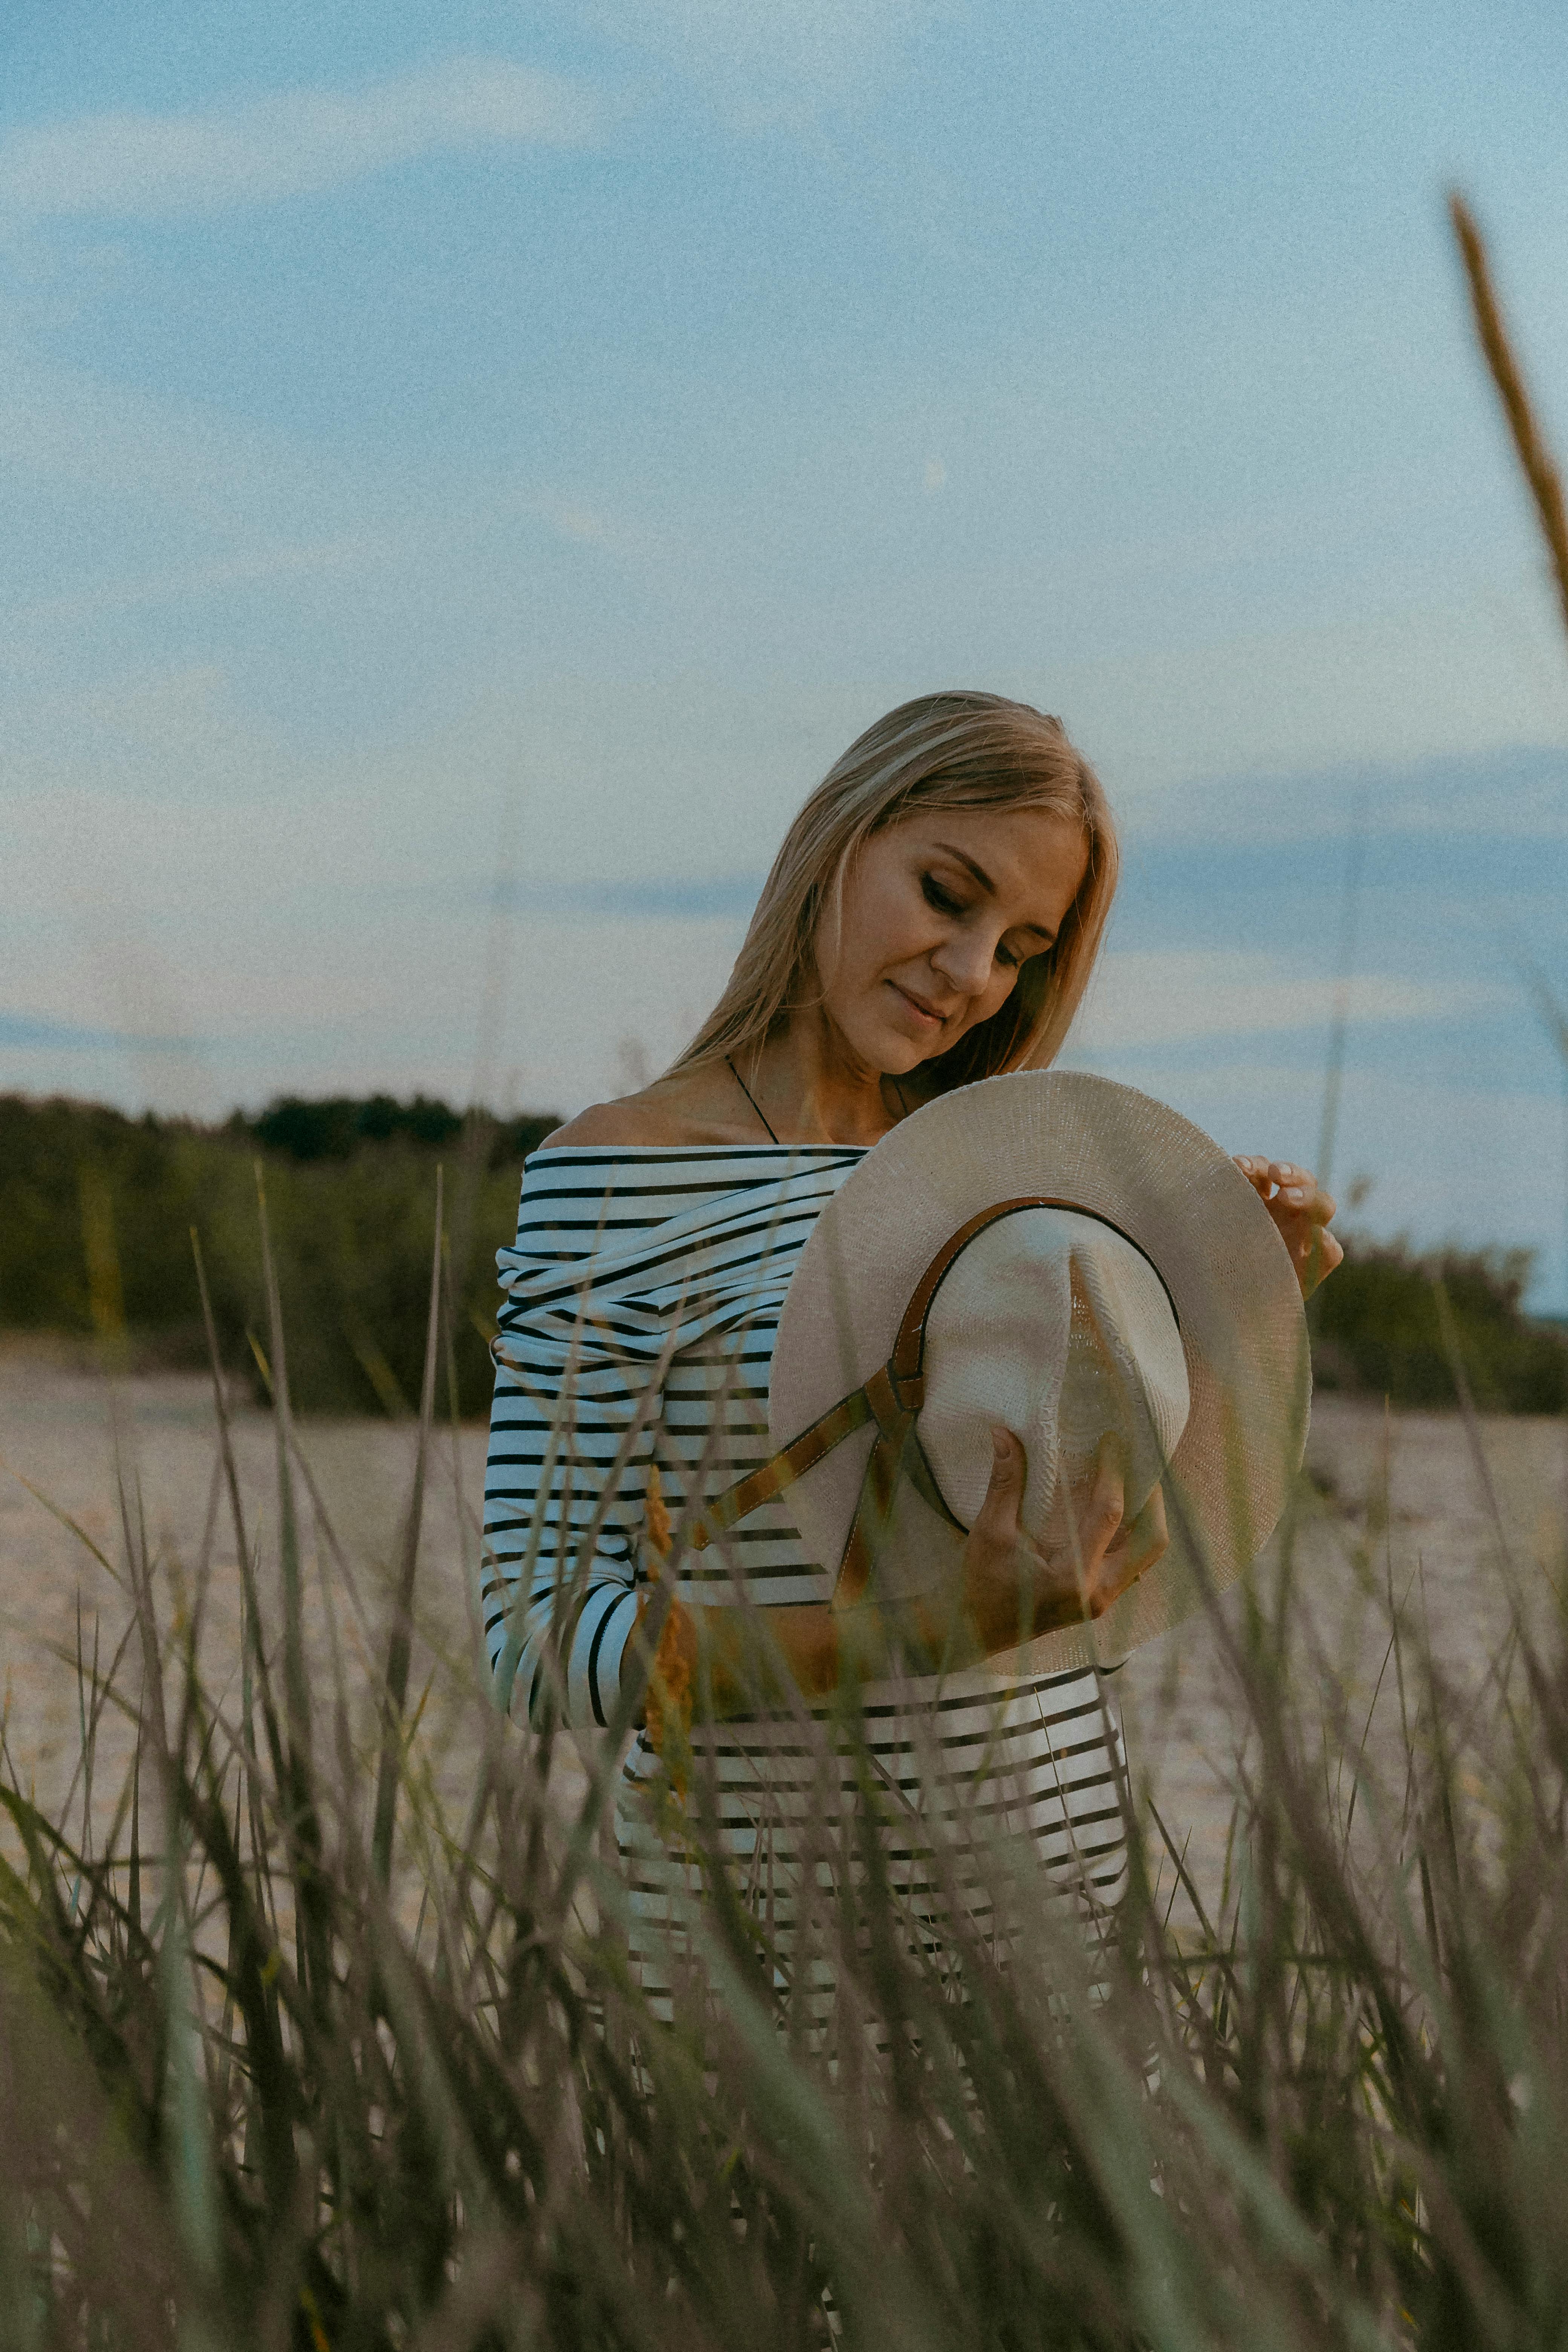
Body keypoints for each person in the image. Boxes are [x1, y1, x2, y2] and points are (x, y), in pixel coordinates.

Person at [481, 691, 1340, 2008]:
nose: (972, 974)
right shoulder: (618, 1176)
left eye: (1020, 948)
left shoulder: (999, 1179)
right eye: (948, 895)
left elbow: (1094, 1546)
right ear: (839, 839)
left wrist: (1232, 1316)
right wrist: (926, 1633)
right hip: (755, 1949)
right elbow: (538, 1645)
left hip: (1059, 1910)